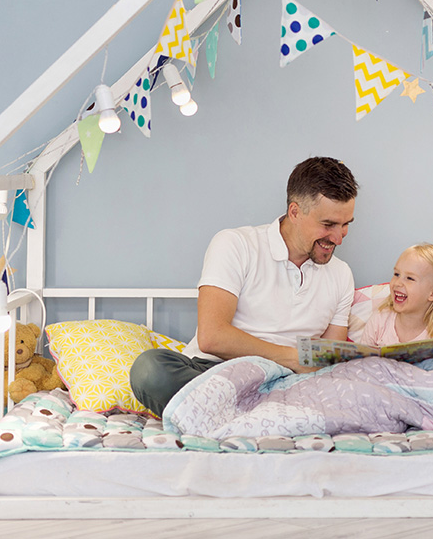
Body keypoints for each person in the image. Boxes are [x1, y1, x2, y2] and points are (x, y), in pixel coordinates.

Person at [130, 157, 359, 416]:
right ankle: (260, 417)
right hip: (216, 374)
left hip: (287, 384)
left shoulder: (341, 274)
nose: (338, 237)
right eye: (328, 225)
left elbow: (329, 360)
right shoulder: (236, 245)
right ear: (295, 212)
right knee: (150, 369)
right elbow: (212, 336)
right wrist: (291, 357)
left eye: (346, 224)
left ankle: (229, 418)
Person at [361, 243, 433, 346]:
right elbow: (361, 360)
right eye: (396, 274)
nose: (397, 283)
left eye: (410, 278)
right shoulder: (380, 320)